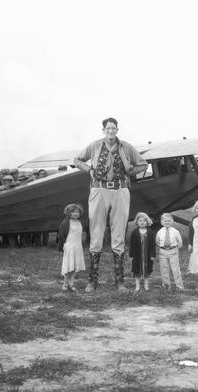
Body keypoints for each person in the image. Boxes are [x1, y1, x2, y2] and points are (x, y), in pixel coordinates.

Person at [74, 117, 148, 292]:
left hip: (120, 190)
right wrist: (89, 170)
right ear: (103, 130)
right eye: (108, 128)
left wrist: (130, 171)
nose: (111, 131)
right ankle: (92, 281)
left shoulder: (126, 147)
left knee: (119, 232)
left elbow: (143, 164)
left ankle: (119, 281)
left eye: (113, 128)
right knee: (96, 231)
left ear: (117, 130)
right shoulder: (94, 146)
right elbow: (77, 160)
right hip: (99, 190)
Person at [57, 203, 86, 292]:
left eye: (77, 212)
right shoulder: (66, 223)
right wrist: (63, 245)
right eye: (73, 212)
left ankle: (71, 283)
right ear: (69, 213)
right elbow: (61, 235)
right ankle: (65, 284)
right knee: (69, 266)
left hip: (77, 247)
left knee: (74, 266)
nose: (76, 214)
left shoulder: (79, 222)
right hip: (69, 246)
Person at [155, 212, 184, 290]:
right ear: (161, 222)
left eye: (169, 221)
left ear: (172, 221)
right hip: (163, 252)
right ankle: (166, 286)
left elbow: (179, 241)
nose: (167, 222)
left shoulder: (175, 231)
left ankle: (179, 286)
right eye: (165, 221)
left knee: (175, 269)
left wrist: (176, 248)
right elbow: (157, 241)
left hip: (173, 251)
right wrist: (162, 247)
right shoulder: (160, 232)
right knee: (164, 269)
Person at [129, 212, 155, 292]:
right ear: (137, 222)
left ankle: (146, 285)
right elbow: (131, 244)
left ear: (147, 222)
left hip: (147, 255)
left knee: (147, 270)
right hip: (137, 255)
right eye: (140, 220)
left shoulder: (150, 232)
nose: (142, 222)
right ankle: (137, 285)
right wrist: (131, 254)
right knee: (137, 270)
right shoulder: (135, 232)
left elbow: (152, 245)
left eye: (144, 220)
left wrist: (152, 254)